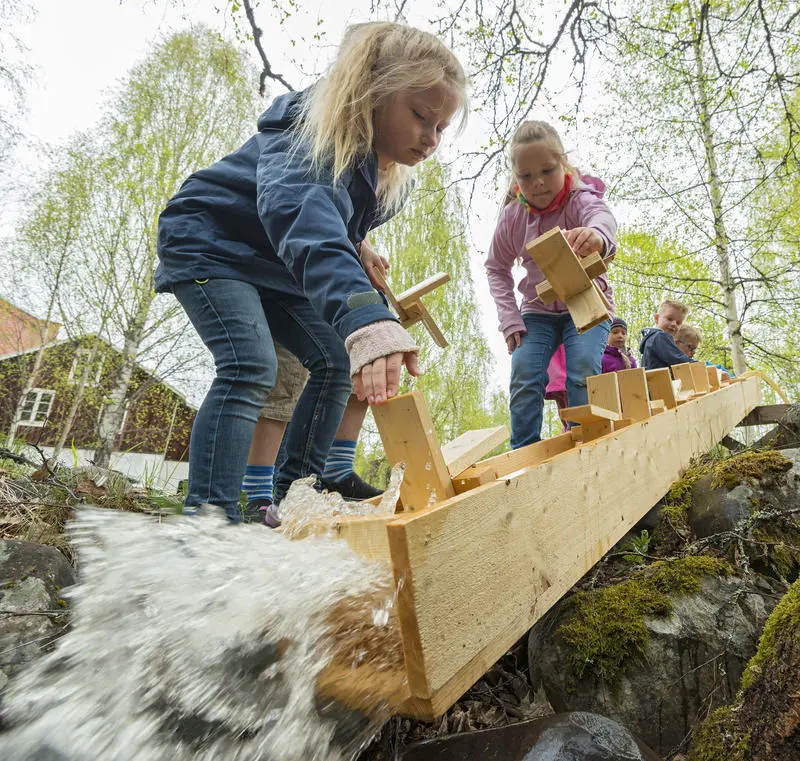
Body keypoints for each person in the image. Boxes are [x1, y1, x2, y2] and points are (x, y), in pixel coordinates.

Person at [155, 21, 468, 522]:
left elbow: (330, 219)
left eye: (440, 128)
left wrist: (358, 244)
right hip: (212, 243)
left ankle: (291, 495)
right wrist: (367, 318)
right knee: (250, 363)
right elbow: (302, 211)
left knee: (335, 362)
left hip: (276, 266)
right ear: (373, 93)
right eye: (420, 117)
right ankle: (209, 520)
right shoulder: (309, 130)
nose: (430, 138)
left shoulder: (384, 175)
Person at [485, 121, 617, 449]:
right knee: (524, 374)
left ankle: (583, 442)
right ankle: (524, 451)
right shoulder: (514, 217)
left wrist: (597, 236)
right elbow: (496, 267)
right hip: (537, 311)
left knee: (583, 369)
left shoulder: (579, 199)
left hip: (585, 301)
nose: (539, 183)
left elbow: (603, 219)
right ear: (515, 177)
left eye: (547, 170)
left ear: (563, 163)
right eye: (526, 176)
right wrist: (509, 318)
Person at [639, 300, 695, 370]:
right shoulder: (659, 336)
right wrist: (699, 365)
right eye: (669, 319)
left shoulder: (651, 339)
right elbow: (677, 359)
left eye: (678, 323)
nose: (674, 324)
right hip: (661, 379)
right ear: (657, 318)